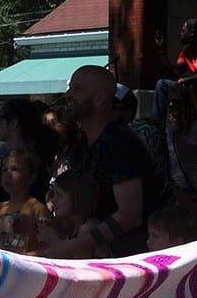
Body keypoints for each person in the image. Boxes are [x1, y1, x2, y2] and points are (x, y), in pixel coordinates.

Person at [46, 65, 160, 255]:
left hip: (127, 258)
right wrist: (40, 225)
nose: (67, 96)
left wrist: (73, 246)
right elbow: (81, 213)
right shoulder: (80, 146)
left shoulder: (121, 144)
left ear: (99, 97)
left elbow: (130, 216)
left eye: (76, 89)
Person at [0, 147, 50, 253]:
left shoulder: (38, 209)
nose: (8, 175)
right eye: (4, 170)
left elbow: (46, 245)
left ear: (31, 177)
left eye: (15, 169)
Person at [42, 171, 103, 257]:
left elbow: (77, 268)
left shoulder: (87, 229)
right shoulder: (73, 229)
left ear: (76, 197)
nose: (53, 200)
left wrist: (54, 241)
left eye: (59, 195)